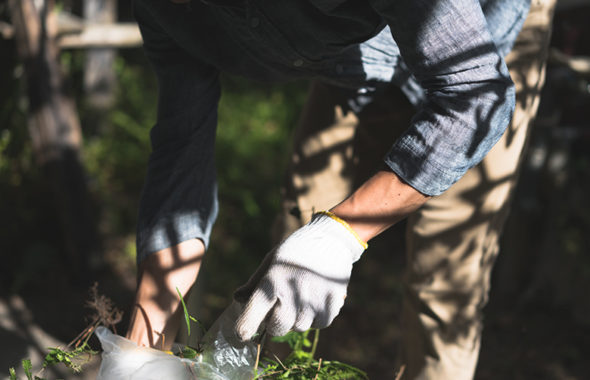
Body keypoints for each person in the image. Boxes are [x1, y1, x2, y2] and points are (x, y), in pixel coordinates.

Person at [125, 0, 554, 377]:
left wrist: (341, 234)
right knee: (290, 258)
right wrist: (140, 350)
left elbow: (476, 95)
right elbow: (182, 159)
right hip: (354, 58)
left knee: (442, 289)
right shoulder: (167, 10)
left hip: (481, 42)